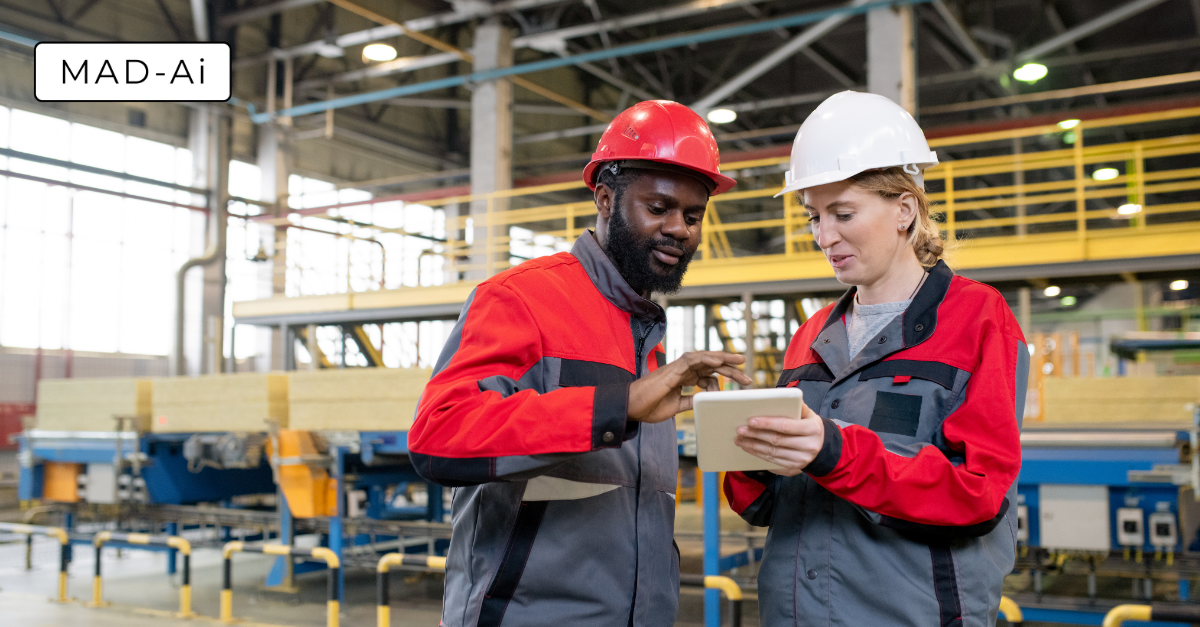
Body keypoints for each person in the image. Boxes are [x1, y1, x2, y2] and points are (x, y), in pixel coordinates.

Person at [410, 100, 751, 627]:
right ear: (605, 198)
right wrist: (619, 406)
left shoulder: (645, 332)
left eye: (693, 215)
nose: (680, 229)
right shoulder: (521, 299)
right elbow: (439, 434)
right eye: (658, 208)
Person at [724, 91, 1028, 627]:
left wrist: (834, 451)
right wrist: (744, 449)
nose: (824, 236)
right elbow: (765, 508)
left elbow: (979, 493)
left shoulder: (977, 318)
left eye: (843, 213)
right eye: (814, 216)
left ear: (904, 210)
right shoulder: (811, 336)